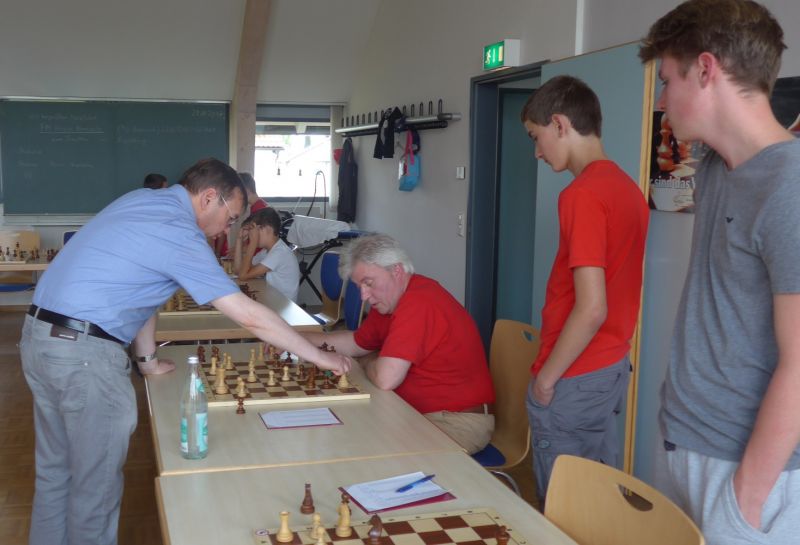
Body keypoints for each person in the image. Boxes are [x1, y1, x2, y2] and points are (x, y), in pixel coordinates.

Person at [19, 157, 351, 545]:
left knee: (55, 474)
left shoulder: (143, 201)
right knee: (95, 489)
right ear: (209, 197)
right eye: (230, 218)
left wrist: (146, 361)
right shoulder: (180, 231)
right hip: (85, 357)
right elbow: (248, 315)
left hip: (40, 338)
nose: (228, 229)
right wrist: (320, 356)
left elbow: (141, 291)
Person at [639, 1, 800, 542]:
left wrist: (746, 499)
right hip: (683, 439)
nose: (661, 101)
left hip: (748, 472)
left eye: (667, 80)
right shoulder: (713, 168)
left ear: (706, 69)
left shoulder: (790, 189)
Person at [520, 75, 649, 502]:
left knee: (564, 508)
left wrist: (546, 381)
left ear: (560, 124)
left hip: (575, 373)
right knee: (599, 502)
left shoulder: (582, 194)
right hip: (610, 366)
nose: (538, 152)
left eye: (536, 137)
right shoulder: (628, 189)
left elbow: (592, 307)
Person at [301, 234, 495, 454]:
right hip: (413, 413)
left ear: (396, 271)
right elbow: (354, 343)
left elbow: (385, 379)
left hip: (456, 422)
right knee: (346, 435)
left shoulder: (418, 303)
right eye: (359, 286)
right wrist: (294, 339)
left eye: (369, 283)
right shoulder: (389, 302)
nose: (363, 296)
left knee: (361, 450)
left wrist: (369, 360)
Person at [233, 207, 300, 301]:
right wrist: (239, 240)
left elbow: (243, 276)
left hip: (282, 305)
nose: (251, 234)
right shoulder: (266, 251)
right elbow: (239, 271)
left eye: (253, 230)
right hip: (273, 300)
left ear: (268, 229)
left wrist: (253, 243)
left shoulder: (280, 253)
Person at [213, 172, 268, 257]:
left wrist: (240, 250)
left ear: (245, 190)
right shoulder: (256, 206)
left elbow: (259, 242)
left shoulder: (260, 208)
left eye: (237, 191)